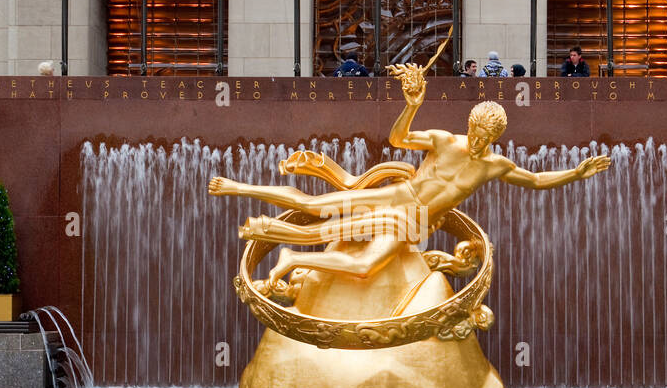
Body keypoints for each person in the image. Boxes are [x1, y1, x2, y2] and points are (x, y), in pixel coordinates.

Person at [209, 61, 610, 291]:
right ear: (469, 125)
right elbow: (398, 136)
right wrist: (412, 104)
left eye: (485, 137)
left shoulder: (495, 165)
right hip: (398, 196)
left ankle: (289, 253)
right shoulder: (442, 140)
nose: (475, 140)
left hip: (416, 221)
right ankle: (237, 187)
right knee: (316, 206)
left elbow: (536, 181)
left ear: (495, 138)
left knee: (366, 266)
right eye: (474, 131)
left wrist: (576, 173)